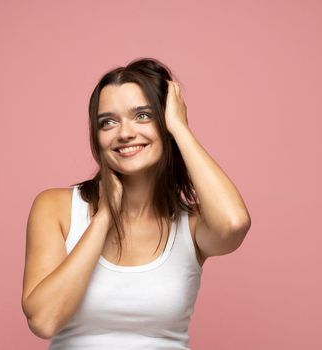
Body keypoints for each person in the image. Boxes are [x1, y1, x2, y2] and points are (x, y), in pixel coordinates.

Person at [21, 57, 251, 349]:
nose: (125, 132)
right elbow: (43, 320)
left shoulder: (191, 227)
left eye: (142, 116)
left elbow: (234, 224)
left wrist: (180, 129)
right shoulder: (56, 207)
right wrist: (104, 217)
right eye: (108, 122)